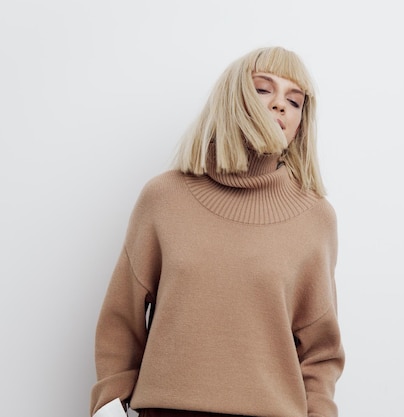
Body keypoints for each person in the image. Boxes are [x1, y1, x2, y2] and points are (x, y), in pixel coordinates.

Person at [89, 46, 345, 417]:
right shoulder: (164, 197)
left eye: (295, 100)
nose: (280, 105)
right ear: (233, 98)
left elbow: (321, 351)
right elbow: (121, 318)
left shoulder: (315, 218)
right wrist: (109, 403)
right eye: (263, 89)